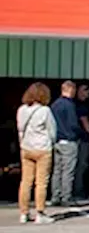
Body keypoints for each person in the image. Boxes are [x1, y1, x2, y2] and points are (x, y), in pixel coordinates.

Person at [16, 82, 57, 224]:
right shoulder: (45, 111)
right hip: (42, 149)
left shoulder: (21, 110)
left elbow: (20, 129)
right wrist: (51, 143)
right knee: (41, 183)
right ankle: (40, 212)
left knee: (25, 181)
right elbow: (52, 131)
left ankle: (23, 212)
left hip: (26, 148)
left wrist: (23, 144)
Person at [49, 80, 80, 207]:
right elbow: (73, 124)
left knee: (57, 170)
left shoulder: (55, 105)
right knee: (68, 170)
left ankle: (55, 196)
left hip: (57, 141)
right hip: (69, 140)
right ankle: (66, 196)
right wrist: (81, 134)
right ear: (71, 90)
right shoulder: (69, 105)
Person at [73, 84, 89, 201]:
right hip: (83, 139)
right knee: (82, 165)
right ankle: (79, 192)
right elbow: (85, 121)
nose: (87, 93)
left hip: (79, 139)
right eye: (85, 90)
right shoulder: (80, 106)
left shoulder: (77, 105)